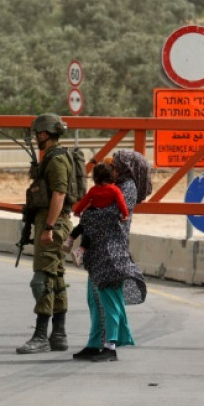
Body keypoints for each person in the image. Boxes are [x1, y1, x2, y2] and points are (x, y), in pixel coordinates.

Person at [72, 150, 149, 362]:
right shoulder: (111, 187)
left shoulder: (127, 188)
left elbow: (111, 214)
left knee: (109, 300)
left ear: (127, 168)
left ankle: (110, 345)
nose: (111, 168)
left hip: (112, 251)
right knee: (95, 299)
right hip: (98, 249)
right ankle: (94, 343)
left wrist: (86, 215)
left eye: (116, 165)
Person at [17, 113, 73, 354]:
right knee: (56, 278)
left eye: (38, 134)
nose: (36, 138)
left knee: (41, 280)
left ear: (45, 134)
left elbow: (59, 194)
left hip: (52, 222)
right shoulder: (51, 157)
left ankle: (41, 336)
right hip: (50, 221)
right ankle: (58, 335)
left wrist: (49, 227)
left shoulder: (57, 159)